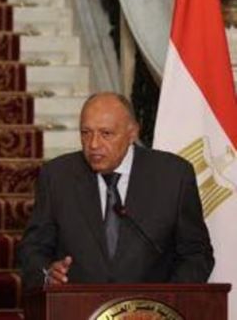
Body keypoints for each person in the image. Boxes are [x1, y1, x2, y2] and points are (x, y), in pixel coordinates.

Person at [17, 92, 214, 288]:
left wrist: (169, 298)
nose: (93, 144)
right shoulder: (57, 176)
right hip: (77, 303)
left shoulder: (173, 176)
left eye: (106, 134)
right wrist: (47, 276)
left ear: (132, 133)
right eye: (86, 133)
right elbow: (33, 249)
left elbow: (196, 254)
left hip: (150, 306)